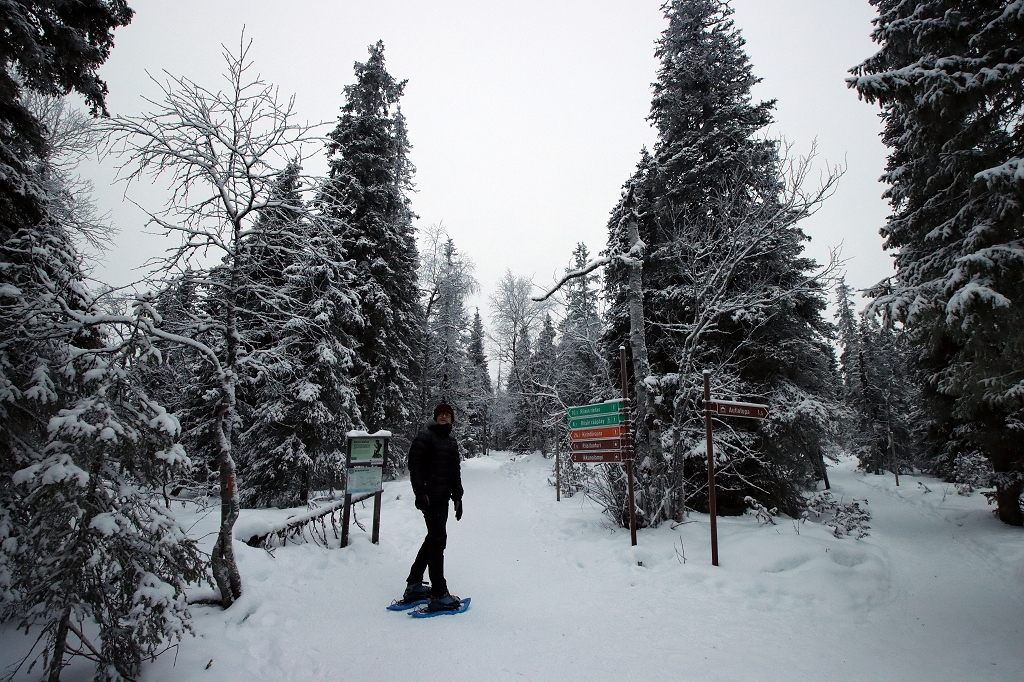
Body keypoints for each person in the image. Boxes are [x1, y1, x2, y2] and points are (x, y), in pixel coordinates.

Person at [402, 402, 464, 612]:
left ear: (452, 419)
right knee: (438, 541)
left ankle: (414, 585)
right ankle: (439, 593)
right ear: (435, 417)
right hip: (430, 499)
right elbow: (415, 467)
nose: (444, 417)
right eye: (441, 414)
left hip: (443, 499)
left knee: (433, 539)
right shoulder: (425, 437)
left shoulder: (452, 442)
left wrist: (458, 496)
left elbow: (454, 470)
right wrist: (420, 493)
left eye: (448, 415)